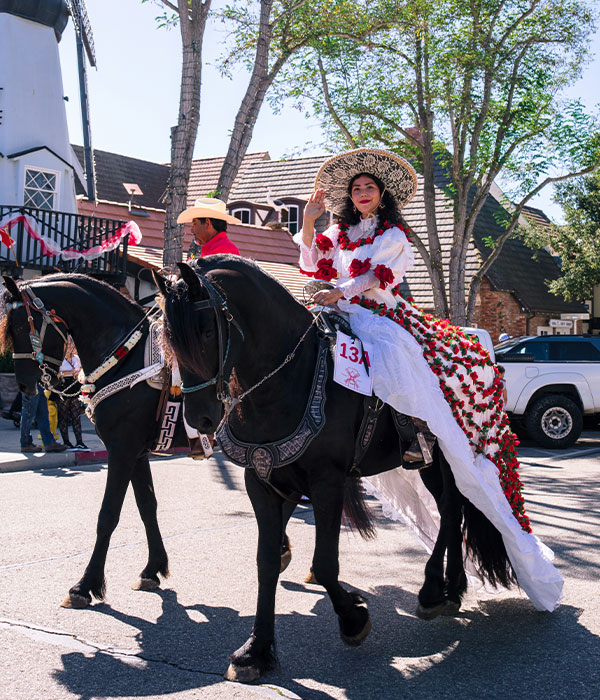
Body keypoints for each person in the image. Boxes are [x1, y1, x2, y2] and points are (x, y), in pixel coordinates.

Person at [294, 147, 562, 612]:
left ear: (381, 196)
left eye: (368, 188)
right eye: (356, 189)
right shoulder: (337, 231)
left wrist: (341, 290)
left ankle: (415, 433)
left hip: (379, 314)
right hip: (336, 311)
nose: (361, 194)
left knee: (393, 363)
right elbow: (311, 267)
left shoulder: (394, 232)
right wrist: (308, 224)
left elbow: (379, 275)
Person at [177, 197, 241, 458]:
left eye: (195, 223)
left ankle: (199, 436)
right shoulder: (210, 251)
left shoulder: (225, 252)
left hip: (215, 330)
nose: (191, 230)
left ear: (209, 224)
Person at [56, 338, 87, 450]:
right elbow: (57, 374)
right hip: (64, 386)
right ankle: (66, 442)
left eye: (71, 344)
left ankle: (79, 441)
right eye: (68, 345)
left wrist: (79, 373)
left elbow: (81, 370)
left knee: (76, 415)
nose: (70, 347)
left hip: (74, 385)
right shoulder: (59, 359)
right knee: (63, 415)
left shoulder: (76, 358)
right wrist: (71, 372)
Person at [20, 383, 67, 453]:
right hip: (29, 383)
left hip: (37, 383)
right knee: (29, 414)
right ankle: (25, 444)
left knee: (43, 414)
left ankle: (49, 442)